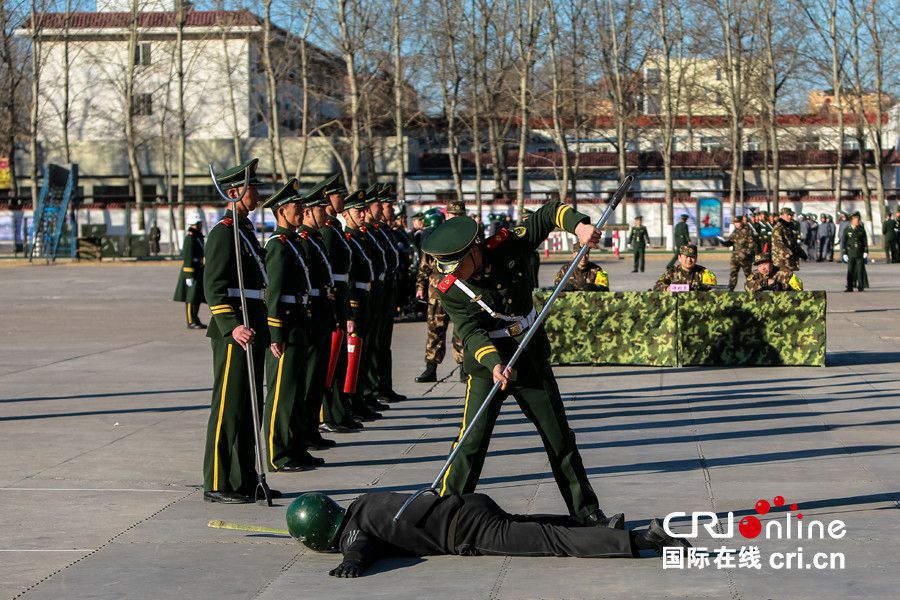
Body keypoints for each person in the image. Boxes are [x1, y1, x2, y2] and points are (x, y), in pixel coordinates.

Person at [421, 201, 622, 527]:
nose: (454, 274)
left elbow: (549, 213)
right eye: (449, 269)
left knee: (558, 437)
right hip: (488, 363)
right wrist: (495, 364)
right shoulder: (449, 286)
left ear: (475, 251)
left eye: (458, 266)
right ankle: (445, 514)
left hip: (528, 350)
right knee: (471, 439)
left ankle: (587, 514)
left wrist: (579, 226)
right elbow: (470, 331)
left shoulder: (508, 244)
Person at [285, 491, 691, 578]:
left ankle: (642, 542)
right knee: (526, 523)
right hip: (467, 503)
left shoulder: (353, 533)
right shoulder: (361, 502)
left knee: (549, 542)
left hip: (467, 529)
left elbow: (358, 549)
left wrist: (350, 564)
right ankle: (598, 524)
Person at [202, 158, 279, 504]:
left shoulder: (244, 231)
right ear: (234, 192)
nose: (258, 193)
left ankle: (245, 479)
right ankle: (218, 482)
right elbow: (214, 287)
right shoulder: (222, 233)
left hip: (254, 324)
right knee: (228, 407)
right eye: (253, 188)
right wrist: (231, 327)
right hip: (235, 331)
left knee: (250, 408)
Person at [260, 179, 318, 472]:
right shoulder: (278, 246)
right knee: (282, 394)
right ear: (282, 211)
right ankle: (277, 454)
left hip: (299, 323)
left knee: (296, 393)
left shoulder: (293, 243)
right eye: (297, 207)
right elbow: (273, 293)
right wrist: (275, 333)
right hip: (286, 326)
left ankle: (295, 448)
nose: (303, 210)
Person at [316, 174, 364, 433]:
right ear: (327, 198)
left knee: (340, 363)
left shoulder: (333, 227)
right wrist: (340, 309)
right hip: (333, 301)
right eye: (339, 195)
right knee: (331, 364)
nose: (343, 199)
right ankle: (328, 414)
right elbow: (329, 275)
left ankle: (339, 410)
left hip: (342, 297)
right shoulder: (326, 231)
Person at [342, 189, 383, 421]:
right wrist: (352, 309)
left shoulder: (360, 238)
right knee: (354, 355)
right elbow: (348, 278)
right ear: (347, 214)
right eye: (359, 210)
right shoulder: (348, 238)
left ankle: (360, 399)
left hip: (367, 297)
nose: (363, 214)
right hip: (357, 300)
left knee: (364, 353)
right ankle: (353, 400)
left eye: (364, 210)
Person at [415, 201, 465, 383]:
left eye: (459, 215)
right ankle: (431, 368)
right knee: (435, 330)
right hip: (437, 291)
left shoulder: (469, 237)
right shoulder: (436, 236)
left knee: (462, 330)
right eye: (453, 215)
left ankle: (464, 368)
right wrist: (420, 286)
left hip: (461, 290)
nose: (456, 218)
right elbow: (425, 264)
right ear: (447, 217)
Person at [172, 220, 206, 329]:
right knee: (190, 298)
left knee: (196, 297)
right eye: (197, 224)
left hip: (198, 270)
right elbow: (188, 257)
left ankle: (196, 318)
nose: (200, 226)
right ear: (192, 225)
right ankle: (191, 321)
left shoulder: (198, 237)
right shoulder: (190, 238)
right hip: (191, 272)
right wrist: (189, 275)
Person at [653, 244, 717, 291]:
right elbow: (657, 286)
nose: (689, 260)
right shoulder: (672, 272)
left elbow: (712, 289)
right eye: (686, 257)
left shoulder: (704, 272)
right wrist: (668, 288)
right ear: (679, 258)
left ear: (696, 258)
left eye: (692, 257)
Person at [720, 215, 755, 291]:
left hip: (745, 258)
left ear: (742, 222)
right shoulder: (735, 231)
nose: (736, 224)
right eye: (735, 223)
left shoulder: (748, 230)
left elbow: (751, 245)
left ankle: (751, 290)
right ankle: (730, 290)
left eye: (738, 222)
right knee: (733, 273)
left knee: (748, 275)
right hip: (735, 257)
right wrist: (724, 243)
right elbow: (731, 241)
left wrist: (746, 254)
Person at [841, 211, 868, 292]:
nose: (857, 221)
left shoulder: (861, 229)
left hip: (859, 252)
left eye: (858, 219)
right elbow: (844, 242)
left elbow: (865, 241)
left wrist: (866, 251)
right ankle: (850, 287)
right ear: (852, 220)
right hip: (851, 252)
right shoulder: (847, 230)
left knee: (860, 270)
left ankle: (861, 286)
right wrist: (844, 253)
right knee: (850, 270)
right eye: (856, 219)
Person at [771, 207, 803, 272]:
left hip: (789, 260)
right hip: (782, 260)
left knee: (789, 280)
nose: (790, 217)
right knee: (783, 280)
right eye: (788, 215)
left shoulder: (788, 227)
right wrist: (789, 254)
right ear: (782, 215)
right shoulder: (778, 228)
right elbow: (778, 243)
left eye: (791, 215)